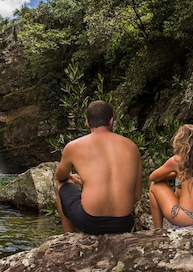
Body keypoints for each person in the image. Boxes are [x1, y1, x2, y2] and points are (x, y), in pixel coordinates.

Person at [54, 100, 143, 234]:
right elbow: (137, 196)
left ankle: (69, 237)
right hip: (123, 223)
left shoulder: (73, 146)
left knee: (61, 184)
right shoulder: (132, 147)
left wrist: (71, 177)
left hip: (90, 222)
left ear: (87, 123)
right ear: (112, 121)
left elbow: (59, 176)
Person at [148, 124, 193, 228]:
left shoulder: (177, 161)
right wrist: (178, 174)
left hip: (188, 218)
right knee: (181, 186)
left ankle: (158, 230)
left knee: (154, 186)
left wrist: (174, 174)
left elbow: (153, 177)